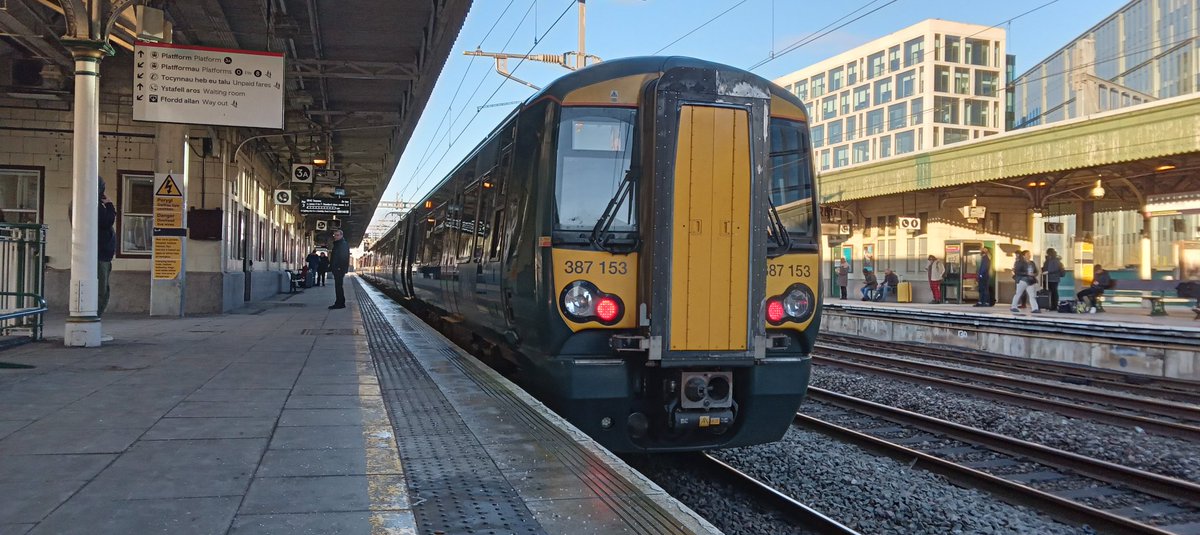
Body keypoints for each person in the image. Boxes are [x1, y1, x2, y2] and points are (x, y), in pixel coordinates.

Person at [98, 178, 117, 318]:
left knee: (102, 289)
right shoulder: (95, 206)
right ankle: (95, 315)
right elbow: (106, 221)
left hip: (101, 253)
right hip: (100, 254)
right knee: (101, 289)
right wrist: (110, 205)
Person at [329, 229, 350, 310]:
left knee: (338, 286)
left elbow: (344, 257)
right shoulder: (338, 244)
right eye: (335, 235)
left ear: (341, 235)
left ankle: (340, 303)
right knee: (338, 286)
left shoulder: (342, 244)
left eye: (337, 235)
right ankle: (339, 302)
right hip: (337, 268)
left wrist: (340, 268)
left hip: (339, 269)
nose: (336, 237)